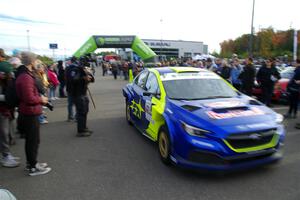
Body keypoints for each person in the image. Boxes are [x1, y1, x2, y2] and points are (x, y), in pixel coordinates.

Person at [16, 51, 51, 176]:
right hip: (30, 113)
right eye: (36, 59)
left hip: (29, 112)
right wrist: (41, 99)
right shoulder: (25, 77)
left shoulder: (26, 74)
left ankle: (32, 163)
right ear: (31, 61)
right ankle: (33, 166)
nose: (37, 62)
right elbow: (29, 98)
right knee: (33, 141)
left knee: (32, 140)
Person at [0, 48, 20, 168]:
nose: (8, 75)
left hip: (5, 109)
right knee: (3, 133)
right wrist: (7, 97)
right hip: (2, 109)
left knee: (5, 132)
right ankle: (5, 156)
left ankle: (6, 154)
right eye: (6, 73)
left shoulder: (5, 79)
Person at [68, 59, 94, 136]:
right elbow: (73, 80)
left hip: (84, 94)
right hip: (78, 94)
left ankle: (84, 127)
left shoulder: (84, 71)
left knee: (85, 111)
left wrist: (89, 74)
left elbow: (92, 80)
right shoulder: (75, 70)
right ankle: (81, 131)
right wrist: (83, 78)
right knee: (81, 112)